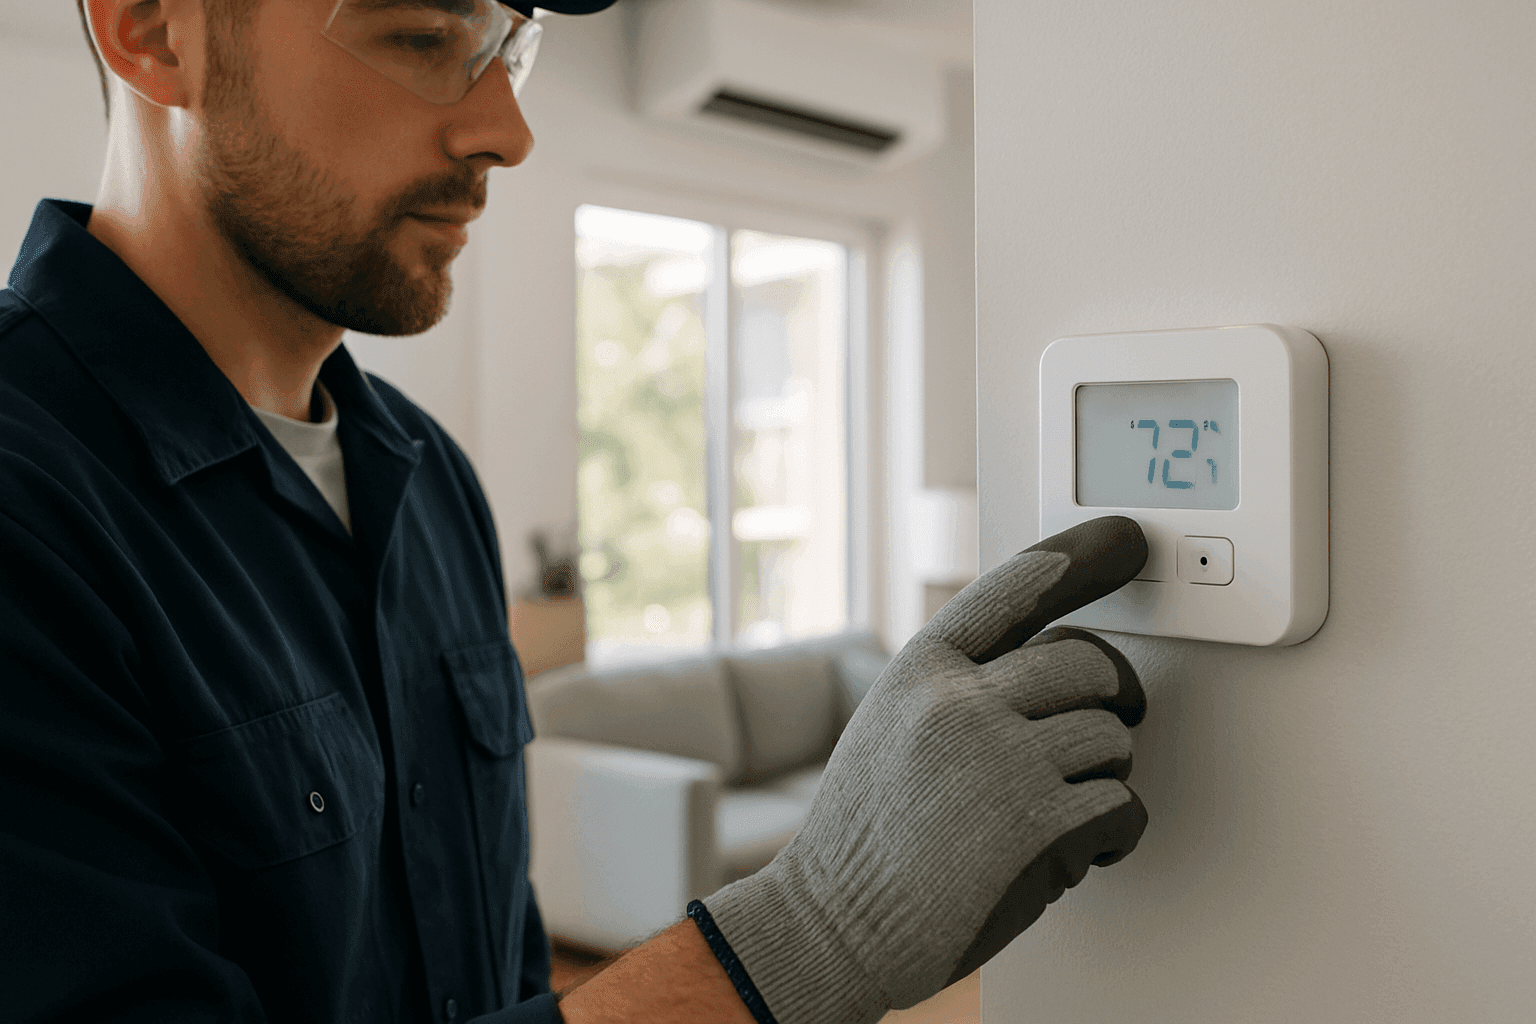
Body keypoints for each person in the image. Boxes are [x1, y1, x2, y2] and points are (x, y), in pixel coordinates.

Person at [0, 0, 1152, 1021]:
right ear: (152, 28)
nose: (506, 130)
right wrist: (812, 933)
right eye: (421, 34)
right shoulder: (28, 496)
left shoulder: (428, 479)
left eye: (511, 44)